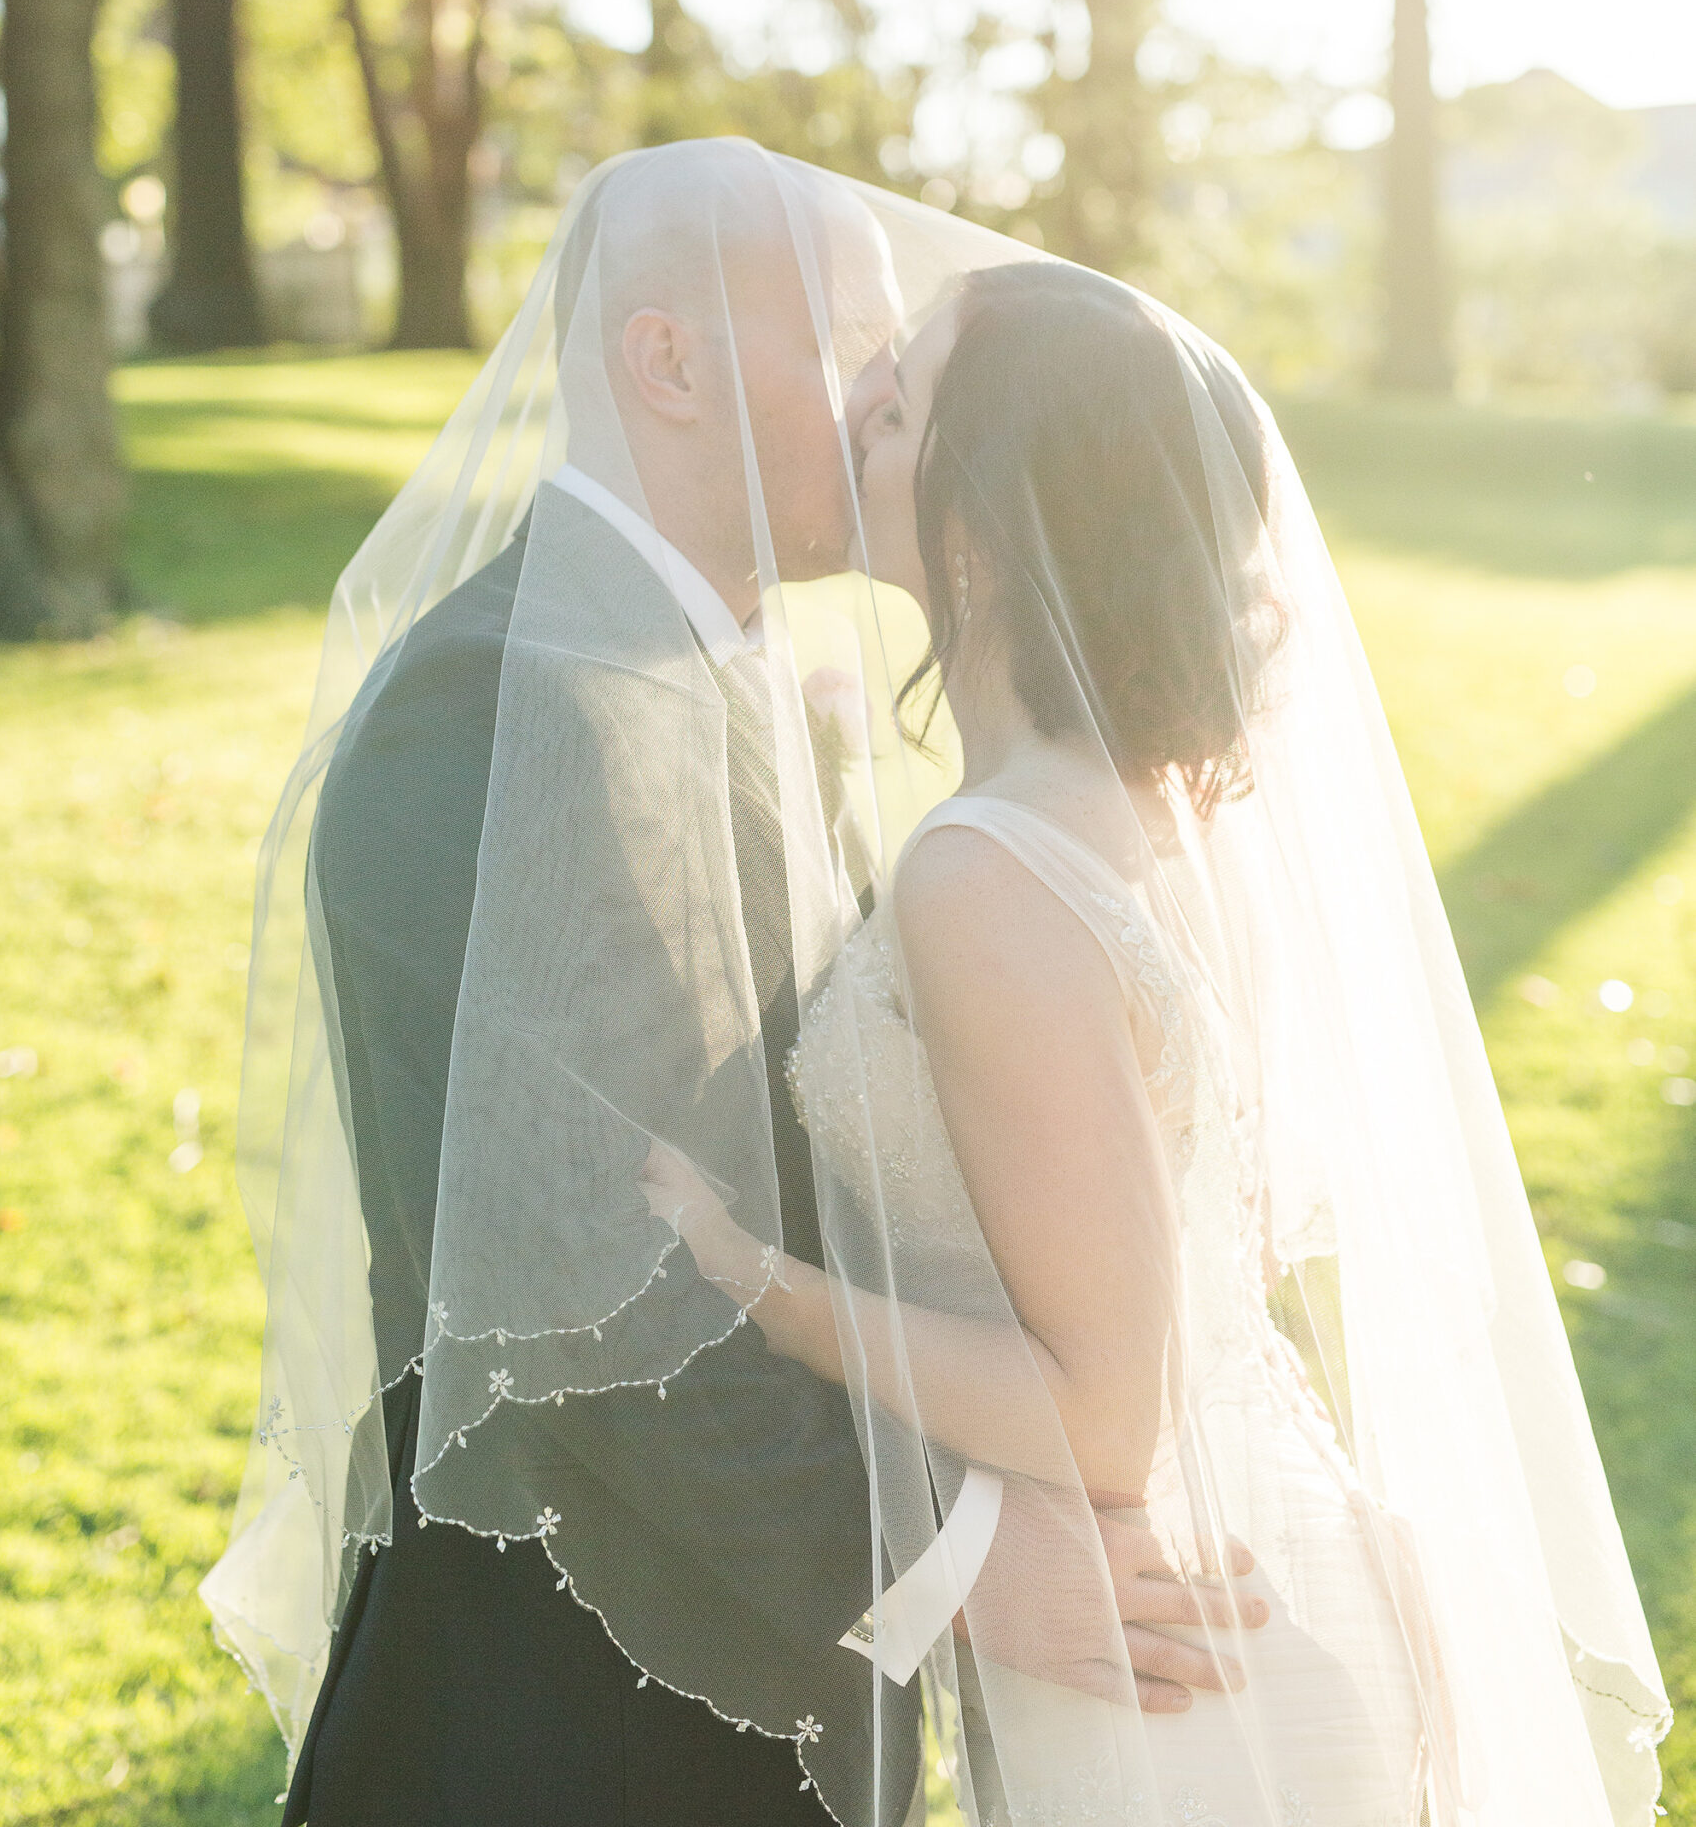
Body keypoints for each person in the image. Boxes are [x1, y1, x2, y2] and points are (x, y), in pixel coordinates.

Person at [202, 147, 1260, 1827]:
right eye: (848, 339)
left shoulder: (764, 679)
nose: (878, 405)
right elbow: (588, 1294)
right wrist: (958, 1565)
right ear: (667, 361)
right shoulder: (472, 718)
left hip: (799, 1707)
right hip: (562, 1724)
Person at [643, 250, 1671, 1826]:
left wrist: (763, 1290)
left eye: (903, 403)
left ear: (982, 529)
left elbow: (1102, 1412)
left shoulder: (986, 869)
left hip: (1185, 1663)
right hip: (1224, 1590)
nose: (857, 407)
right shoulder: (1151, 813)